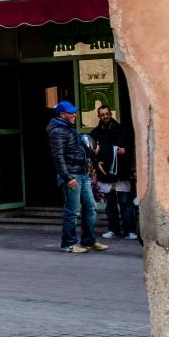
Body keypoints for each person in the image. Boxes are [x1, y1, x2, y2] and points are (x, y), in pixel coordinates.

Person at [45, 100, 103, 253]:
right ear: (62, 114)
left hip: (81, 173)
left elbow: (76, 151)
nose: (74, 114)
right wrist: (67, 177)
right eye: (71, 112)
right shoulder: (58, 131)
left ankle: (89, 241)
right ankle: (69, 244)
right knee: (73, 211)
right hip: (72, 175)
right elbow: (58, 157)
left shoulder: (68, 128)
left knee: (90, 207)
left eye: (74, 112)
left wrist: (91, 152)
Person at [92, 107, 139, 240]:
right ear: (99, 116)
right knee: (110, 204)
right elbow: (92, 152)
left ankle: (129, 230)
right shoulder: (95, 133)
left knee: (125, 203)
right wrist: (97, 162)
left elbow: (131, 147)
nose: (105, 116)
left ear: (111, 114)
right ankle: (113, 230)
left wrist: (125, 151)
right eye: (102, 115)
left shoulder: (123, 130)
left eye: (107, 114)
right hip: (105, 173)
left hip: (122, 171)